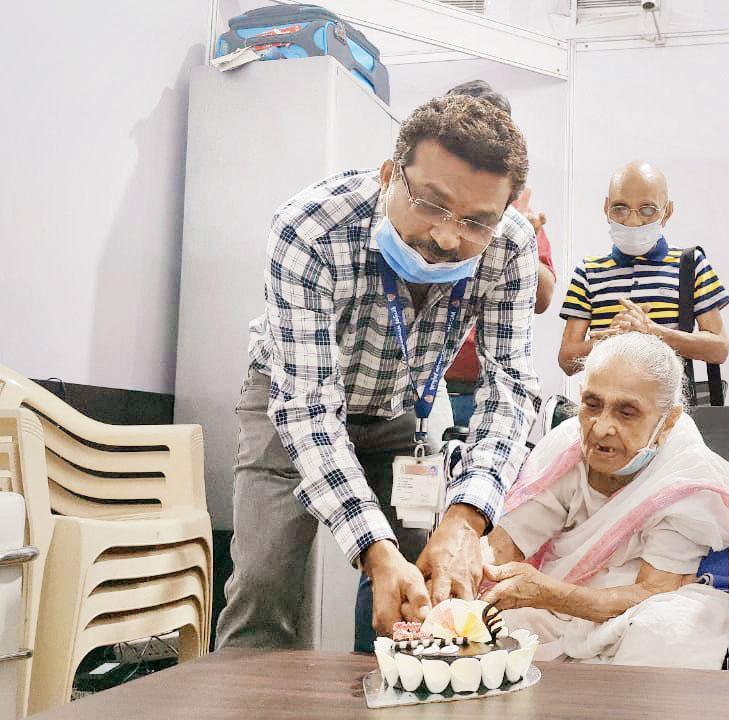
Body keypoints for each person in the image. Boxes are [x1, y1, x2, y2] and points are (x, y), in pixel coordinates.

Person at [217, 94, 542, 650]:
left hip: (398, 416)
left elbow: (509, 388)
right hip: (289, 408)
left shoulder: (510, 247)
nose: (446, 237)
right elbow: (308, 409)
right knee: (264, 585)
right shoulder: (311, 229)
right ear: (391, 174)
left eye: (475, 222)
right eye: (432, 204)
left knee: (422, 589)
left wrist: (466, 520)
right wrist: (372, 548)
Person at [481, 332, 729, 667]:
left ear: (668, 420)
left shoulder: (687, 481)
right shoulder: (567, 449)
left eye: (626, 413)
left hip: (658, 602)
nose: (600, 429)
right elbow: (507, 543)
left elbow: (652, 591)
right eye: (592, 405)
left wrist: (546, 593)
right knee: (488, 628)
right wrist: (458, 570)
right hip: (570, 593)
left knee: (661, 633)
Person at [441, 80, 558, 430]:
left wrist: (524, 239)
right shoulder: (423, 209)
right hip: (423, 381)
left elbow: (543, 298)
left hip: (485, 384)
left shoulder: (519, 219)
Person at [557, 161, 729, 378]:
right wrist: (612, 340)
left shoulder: (691, 264)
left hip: (669, 406)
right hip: (607, 404)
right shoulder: (589, 272)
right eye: (620, 209)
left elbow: (719, 348)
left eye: (647, 209)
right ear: (606, 209)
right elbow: (567, 360)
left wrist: (653, 333)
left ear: (667, 212)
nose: (632, 221)